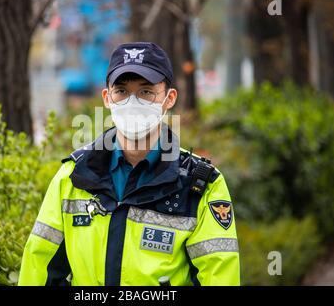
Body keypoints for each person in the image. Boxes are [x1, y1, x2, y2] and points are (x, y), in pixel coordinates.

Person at [18, 42, 240, 286]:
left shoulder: (201, 185)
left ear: (169, 98)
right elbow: (39, 270)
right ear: (107, 98)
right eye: (122, 91)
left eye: (146, 92)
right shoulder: (72, 176)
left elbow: (219, 278)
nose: (132, 102)